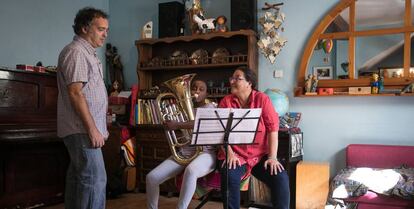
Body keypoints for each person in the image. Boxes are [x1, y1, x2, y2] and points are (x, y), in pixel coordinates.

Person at [56, 7, 109, 209]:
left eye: (106, 30)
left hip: (84, 129)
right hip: (82, 130)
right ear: (85, 28)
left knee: (78, 181)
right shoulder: (76, 52)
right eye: (101, 29)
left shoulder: (88, 53)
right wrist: (93, 128)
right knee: (94, 181)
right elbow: (75, 93)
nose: (105, 34)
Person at [218, 66, 290, 209]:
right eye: (231, 78)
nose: (232, 81)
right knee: (229, 177)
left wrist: (272, 158)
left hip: (259, 156)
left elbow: (272, 129)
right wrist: (230, 154)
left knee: (280, 177)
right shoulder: (226, 102)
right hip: (235, 155)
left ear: (249, 82)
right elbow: (219, 133)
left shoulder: (262, 99)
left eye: (237, 78)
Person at [146, 79, 217, 209]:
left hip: (206, 153)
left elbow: (200, 123)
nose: (196, 91)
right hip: (185, 152)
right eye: (194, 88)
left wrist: (177, 124)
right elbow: (183, 131)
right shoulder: (182, 110)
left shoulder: (211, 107)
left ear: (206, 94)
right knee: (151, 178)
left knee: (191, 170)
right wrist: (168, 123)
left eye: (201, 89)